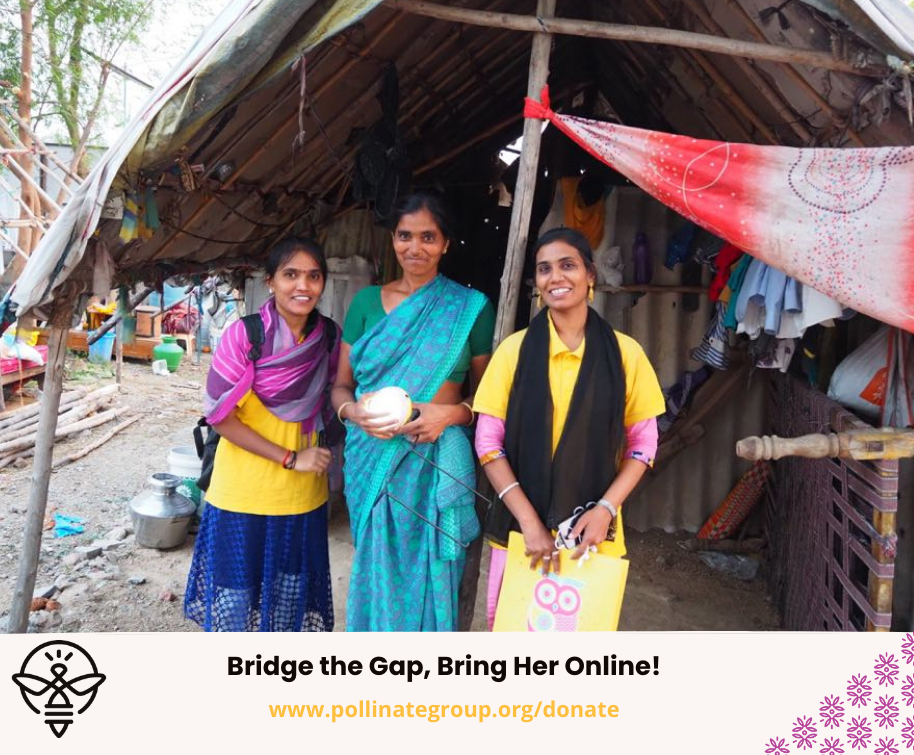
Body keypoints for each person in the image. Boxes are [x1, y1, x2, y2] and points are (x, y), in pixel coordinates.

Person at [473, 227, 665, 630]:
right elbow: (488, 443)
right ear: (536, 283)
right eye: (544, 269)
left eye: (567, 265)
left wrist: (605, 510)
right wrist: (529, 522)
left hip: (592, 533)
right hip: (519, 531)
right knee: (512, 632)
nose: (555, 277)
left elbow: (644, 445)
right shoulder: (513, 352)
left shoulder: (626, 355)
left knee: (579, 643)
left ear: (590, 274)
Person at [332, 191, 495, 631]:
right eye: (405, 236)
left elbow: (488, 402)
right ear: (393, 240)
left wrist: (449, 414)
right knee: (376, 563)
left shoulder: (469, 309)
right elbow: (341, 387)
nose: (414, 247)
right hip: (373, 455)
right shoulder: (366, 304)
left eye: (428, 237)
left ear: (445, 244)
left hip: (435, 459)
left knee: (432, 571)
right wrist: (352, 413)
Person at [184, 237, 339, 632]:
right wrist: (290, 458)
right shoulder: (245, 336)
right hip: (243, 495)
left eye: (313, 276)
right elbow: (219, 417)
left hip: (301, 496)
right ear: (270, 281)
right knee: (234, 603)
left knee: (289, 602)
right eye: (291, 275)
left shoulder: (329, 338)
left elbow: (337, 399)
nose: (302, 286)